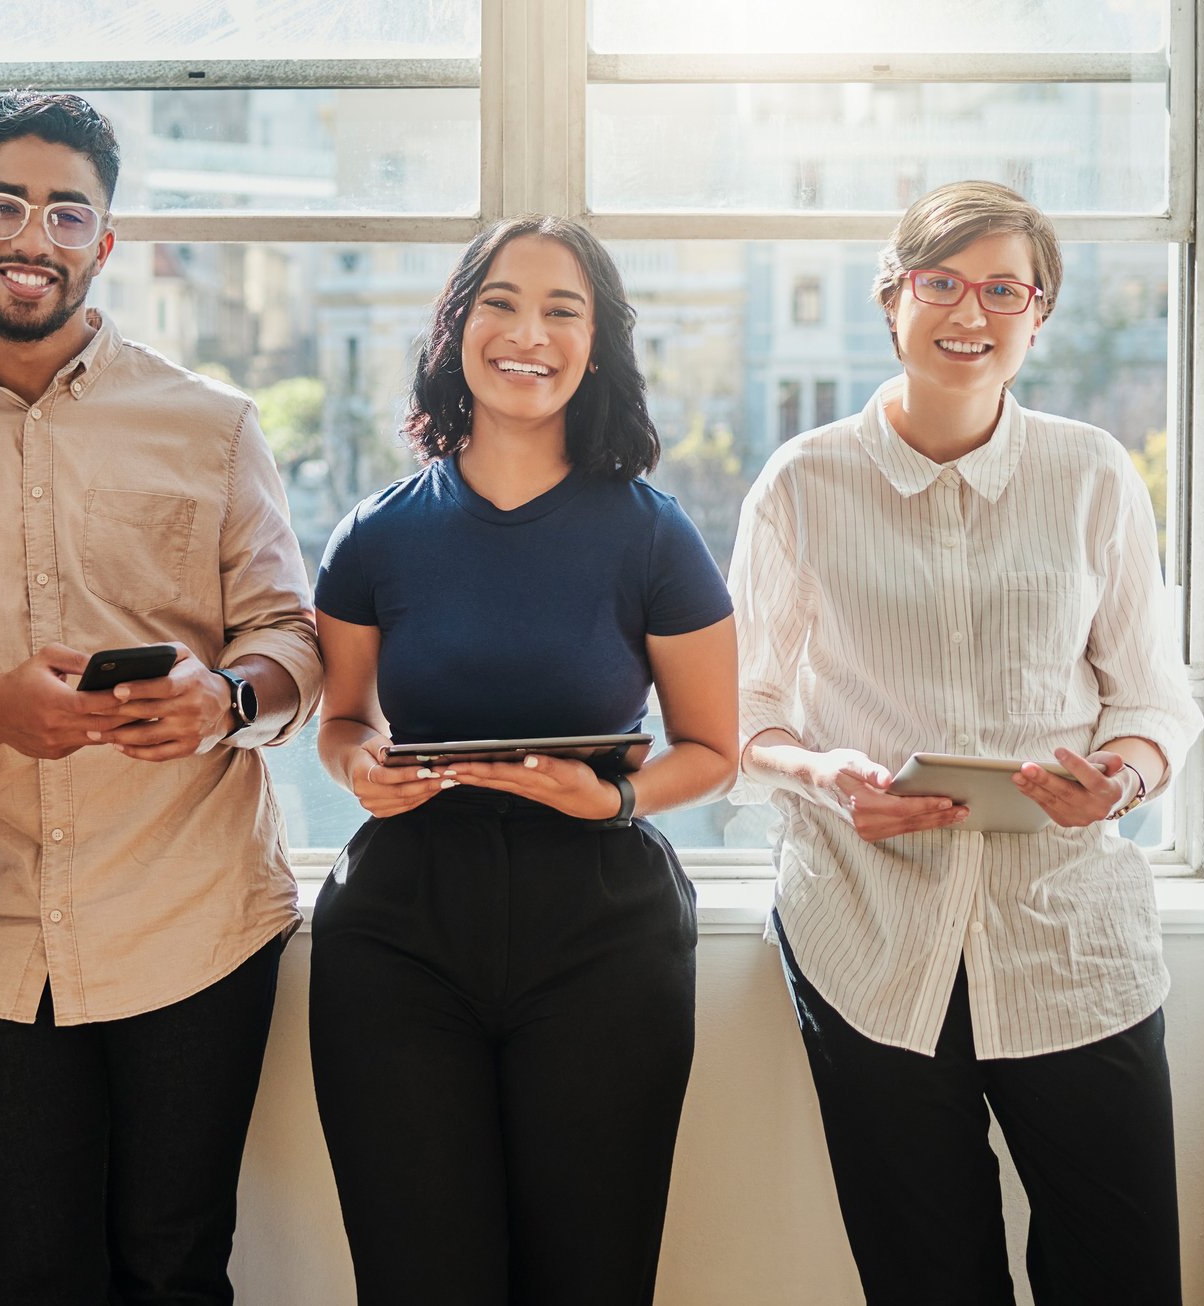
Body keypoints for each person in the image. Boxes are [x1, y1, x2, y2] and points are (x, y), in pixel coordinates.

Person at [0, 91, 320, 1306]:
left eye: (63, 211)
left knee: (175, 1268)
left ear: (105, 239)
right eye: (3, 204)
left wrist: (225, 700)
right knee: (28, 1276)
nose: (30, 235)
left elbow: (287, 634)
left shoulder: (209, 423)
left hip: (191, 920)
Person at [726, 180, 1200, 1305]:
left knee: (1120, 1274)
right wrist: (823, 777)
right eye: (939, 282)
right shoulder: (801, 482)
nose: (968, 312)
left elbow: (1152, 703)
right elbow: (741, 715)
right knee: (925, 1279)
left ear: (1039, 315)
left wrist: (1118, 781)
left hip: (1069, 942)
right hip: (866, 932)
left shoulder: (1091, 474)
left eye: (1002, 288)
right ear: (889, 300)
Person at [307, 215, 738, 1305]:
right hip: (399, 932)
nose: (527, 333)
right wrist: (360, 770)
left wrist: (614, 796)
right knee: (419, 1278)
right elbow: (340, 717)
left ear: (597, 343)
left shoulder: (652, 534)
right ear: (456, 328)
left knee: (590, 1276)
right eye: (498, 302)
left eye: (561, 309)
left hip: (602, 926)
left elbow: (713, 750)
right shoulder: (374, 535)